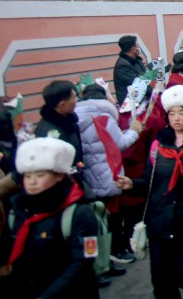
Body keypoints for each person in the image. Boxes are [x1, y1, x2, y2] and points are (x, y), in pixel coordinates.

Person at [116, 84, 183, 299]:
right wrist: (131, 184)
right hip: (159, 223)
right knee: (162, 282)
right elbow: (150, 181)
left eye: (181, 113)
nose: (176, 118)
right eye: (172, 113)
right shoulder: (157, 146)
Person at [7, 137, 100, 298]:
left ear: (58, 175)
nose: (32, 182)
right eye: (27, 176)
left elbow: (82, 262)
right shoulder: (19, 210)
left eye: (40, 175)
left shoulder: (79, 213)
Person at [75, 82, 142, 266]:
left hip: (88, 176)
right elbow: (119, 143)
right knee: (112, 217)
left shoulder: (75, 117)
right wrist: (134, 131)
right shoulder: (104, 116)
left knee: (95, 220)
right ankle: (115, 252)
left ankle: (100, 257)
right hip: (106, 173)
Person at [34, 80, 84, 171]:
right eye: (74, 98)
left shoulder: (69, 123)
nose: (76, 100)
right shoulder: (48, 134)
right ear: (62, 105)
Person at [113, 35, 146, 101]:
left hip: (140, 99)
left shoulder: (137, 60)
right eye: (137, 46)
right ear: (133, 49)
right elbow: (136, 84)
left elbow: (145, 76)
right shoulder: (122, 66)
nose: (138, 48)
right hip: (130, 103)